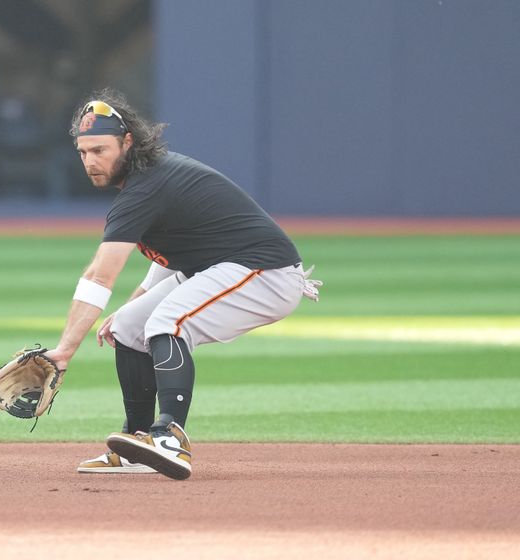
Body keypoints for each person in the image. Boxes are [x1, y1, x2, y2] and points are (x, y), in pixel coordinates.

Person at [44, 89, 321, 480]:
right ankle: (137, 445)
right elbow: (172, 252)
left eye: (100, 150)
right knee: (128, 328)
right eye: (83, 152)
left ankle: (170, 437)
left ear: (127, 142)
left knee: (168, 323)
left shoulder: (147, 185)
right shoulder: (147, 178)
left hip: (266, 273)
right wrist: (130, 305)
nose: (90, 161)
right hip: (220, 267)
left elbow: (99, 275)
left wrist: (65, 350)